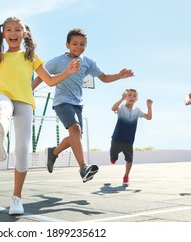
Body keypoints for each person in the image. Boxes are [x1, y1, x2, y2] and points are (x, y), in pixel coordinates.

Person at [0, 16, 80, 215]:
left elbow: (49, 81)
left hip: (24, 102)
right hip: (3, 95)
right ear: (3, 34)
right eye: (9, 30)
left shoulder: (30, 57)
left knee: (22, 150)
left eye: (17, 30)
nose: (13, 33)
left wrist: (67, 72)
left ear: (24, 34)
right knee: (4, 110)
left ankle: (16, 199)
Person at [32, 28, 134, 183]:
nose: (78, 47)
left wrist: (119, 76)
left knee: (76, 136)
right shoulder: (58, 61)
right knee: (75, 129)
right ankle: (83, 168)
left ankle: (54, 152)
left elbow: (104, 77)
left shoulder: (87, 62)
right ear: (67, 44)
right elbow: (41, 74)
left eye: (82, 44)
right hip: (62, 102)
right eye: (75, 44)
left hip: (77, 104)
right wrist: (29, 90)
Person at [110, 89, 153, 185]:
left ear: (137, 98)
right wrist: (121, 99)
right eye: (129, 95)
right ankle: (113, 158)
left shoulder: (137, 111)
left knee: (129, 160)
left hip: (129, 142)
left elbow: (149, 117)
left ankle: (126, 176)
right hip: (116, 139)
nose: (132, 97)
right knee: (113, 158)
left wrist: (149, 106)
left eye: (134, 96)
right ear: (125, 97)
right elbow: (113, 108)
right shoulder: (121, 108)